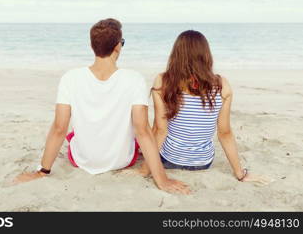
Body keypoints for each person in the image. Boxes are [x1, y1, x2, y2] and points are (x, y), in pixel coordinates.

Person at [13, 18, 190, 194]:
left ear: (93, 47)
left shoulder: (70, 78)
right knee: (137, 134)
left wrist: (42, 171)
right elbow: (142, 130)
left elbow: (59, 128)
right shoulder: (134, 79)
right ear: (118, 46)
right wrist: (162, 180)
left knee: (72, 134)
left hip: (82, 161)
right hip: (122, 161)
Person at [140, 30, 268, 185]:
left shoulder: (163, 81)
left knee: (140, 141)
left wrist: (145, 169)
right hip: (203, 163)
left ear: (176, 55)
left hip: (169, 160)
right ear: (206, 55)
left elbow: (160, 130)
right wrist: (240, 174)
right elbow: (225, 133)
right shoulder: (222, 85)